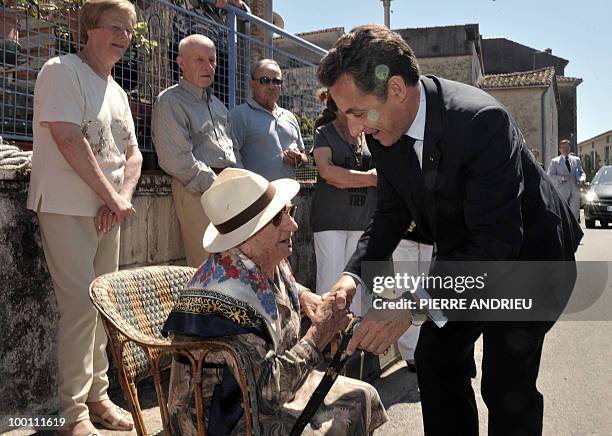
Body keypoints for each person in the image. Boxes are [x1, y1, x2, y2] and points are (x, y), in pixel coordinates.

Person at [317, 25, 582, 436]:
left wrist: (411, 304)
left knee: (507, 381)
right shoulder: (385, 130)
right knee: (438, 357)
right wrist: (351, 280)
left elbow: (496, 246)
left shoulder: (481, 122)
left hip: (529, 260)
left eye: (357, 112)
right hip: (467, 257)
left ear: (398, 90)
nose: (353, 128)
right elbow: (389, 212)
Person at [162, 168, 388, 435]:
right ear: (246, 236)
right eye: (277, 218)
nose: (293, 225)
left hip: (270, 393)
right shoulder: (228, 305)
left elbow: (276, 293)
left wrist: (305, 298)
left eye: (289, 211)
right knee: (338, 423)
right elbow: (265, 396)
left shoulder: (261, 259)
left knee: (363, 396)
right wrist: (320, 333)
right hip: (225, 419)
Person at [26, 0, 143, 434]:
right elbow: (67, 138)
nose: (124, 37)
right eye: (115, 27)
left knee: (101, 307)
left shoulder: (118, 91)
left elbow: (132, 153)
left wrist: (120, 199)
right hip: (66, 205)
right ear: (89, 28)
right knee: (78, 307)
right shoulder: (61, 70)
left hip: (106, 211)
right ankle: (72, 413)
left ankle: (98, 396)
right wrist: (112, 197)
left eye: (129, 30)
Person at [152, 34, 241, 268]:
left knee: (235, 265)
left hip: (229, 188)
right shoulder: (170, 101)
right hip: (195, 190)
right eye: (199, 60)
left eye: (212, 60)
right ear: (181, 63)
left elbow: (234, 151)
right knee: (207, 265)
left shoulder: (219, 106)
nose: (208, 66)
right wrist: (215, 184)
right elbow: (176, 159)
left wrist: (241, 183)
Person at [310, 90, 377, 315]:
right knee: (329, 288)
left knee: (355, 292)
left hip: (363, 223)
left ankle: (351, 345)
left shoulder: (368, 134)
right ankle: (325, 344)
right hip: (330, 221)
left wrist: (347, 178)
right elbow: (328, 173)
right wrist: (370, 178)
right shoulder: (324, 132)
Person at [230, 59, 308, 181]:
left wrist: (298, 159)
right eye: (265, 80)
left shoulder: (289, 117)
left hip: (287, 197)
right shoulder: (238, 116)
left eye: (276, 81)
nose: (271, 86)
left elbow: (304, 158)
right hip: (256, 198)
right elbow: (231, 162)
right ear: (252, 84)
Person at [548, 139, 585, 222]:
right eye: (563, 148)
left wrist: (581, 179)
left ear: (570, 148)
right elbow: (550, 176)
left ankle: (574, 232)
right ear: (560, 149)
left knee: (574, 215)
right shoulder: (555, 161)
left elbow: (581, 173)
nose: (565, 149)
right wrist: (562, 178)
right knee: (562, 214)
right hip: (562, 192)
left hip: (575, 191)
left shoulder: (576, 160)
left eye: (567, 147)